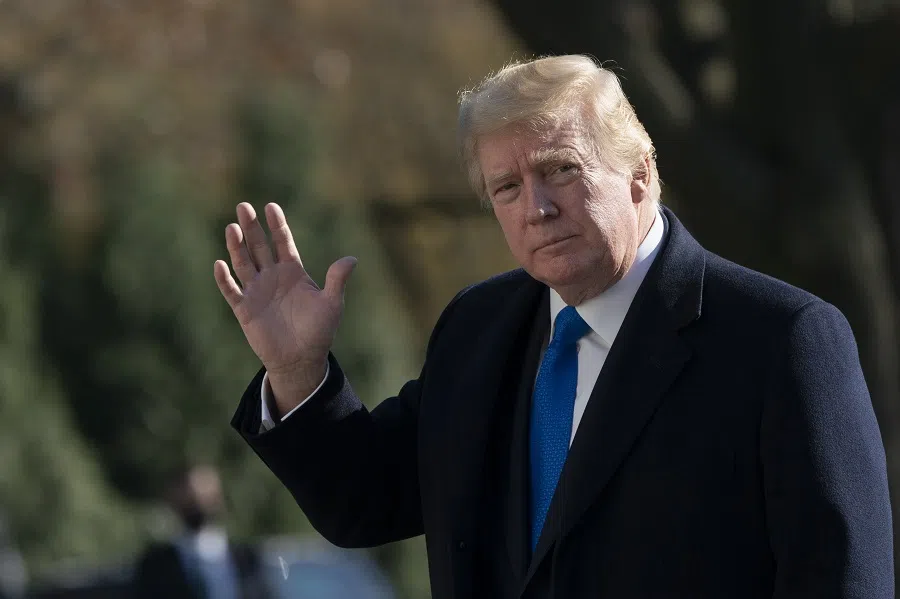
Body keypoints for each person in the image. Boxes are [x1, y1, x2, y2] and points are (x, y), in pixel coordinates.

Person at [217, 55, 894, 597]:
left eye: (560, 170)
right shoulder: (477, 329)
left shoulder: (781, 339)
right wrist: (298, 370)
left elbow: (838, 578)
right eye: (506, 188)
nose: (535, 207)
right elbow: (367, 500)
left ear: (641, 173)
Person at [132, 465, 272, 599]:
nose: (198, 502)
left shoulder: (248, 558)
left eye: (206, 495)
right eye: (190, 498)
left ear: (219, 498)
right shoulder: (155, 566)